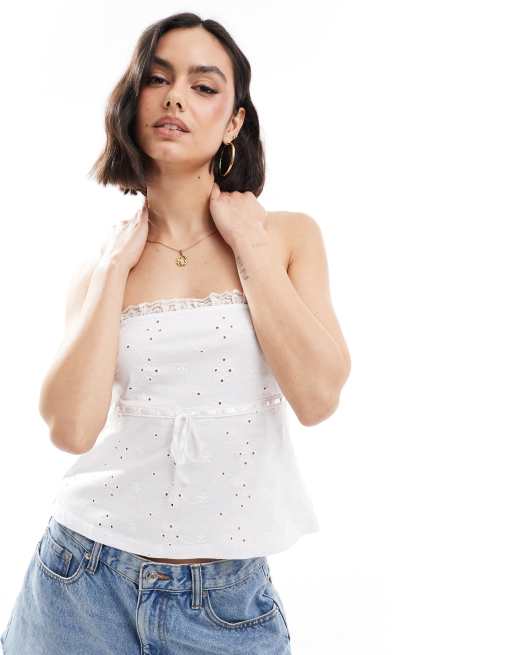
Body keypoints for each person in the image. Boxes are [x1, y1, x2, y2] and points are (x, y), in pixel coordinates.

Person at [0, 11, 350, 655]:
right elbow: (70, 430)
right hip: (80, 579)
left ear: (234, 122)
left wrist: (250, 248)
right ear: (134, 104)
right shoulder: (103, 265)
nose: (175, 98)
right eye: (157, 80)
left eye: (203, 85)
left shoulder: (287, 238)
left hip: (224, 600)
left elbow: (318, 397)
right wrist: (111, 274)